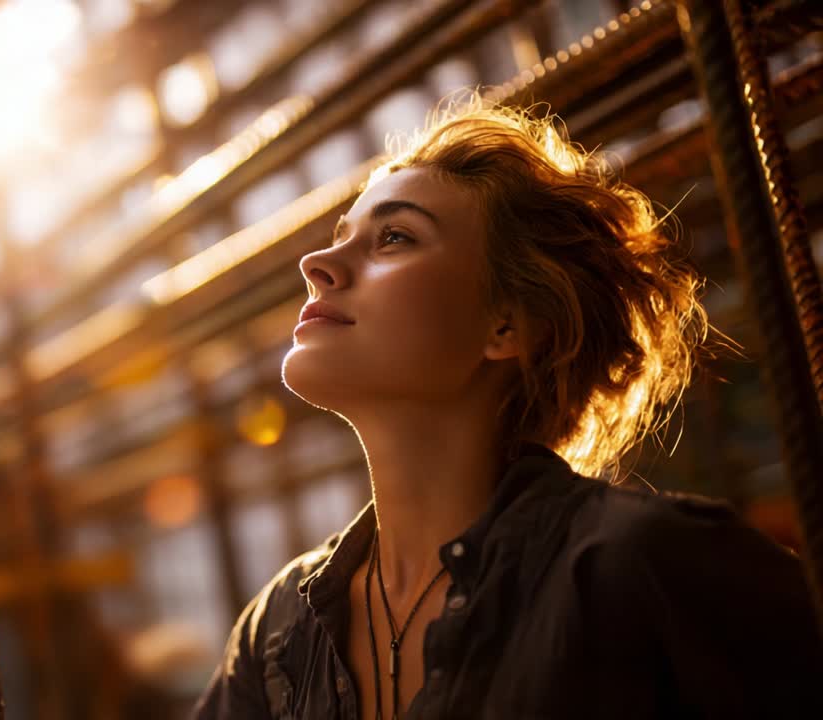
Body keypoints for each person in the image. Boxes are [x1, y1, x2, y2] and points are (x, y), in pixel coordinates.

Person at [190, 93, 823, 719]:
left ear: (507, 326)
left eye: (394, 237)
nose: (317, 263)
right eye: (341, 236)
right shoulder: (278, 631)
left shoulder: (650, 567)